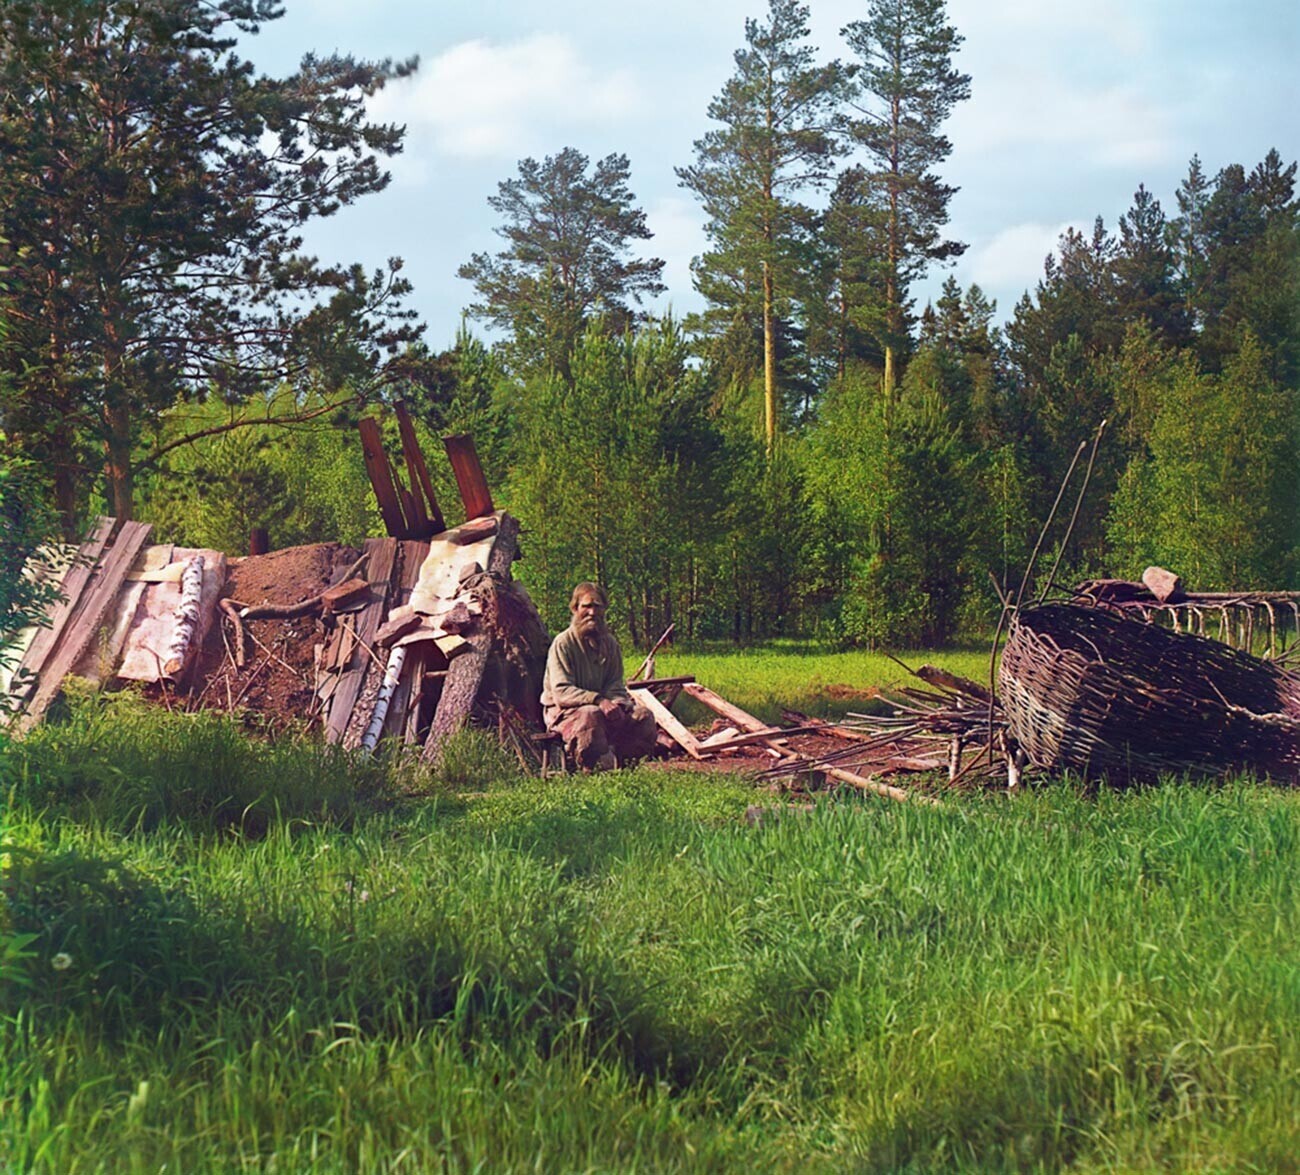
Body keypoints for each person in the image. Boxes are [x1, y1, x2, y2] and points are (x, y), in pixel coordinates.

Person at [540, 582, 658, 771]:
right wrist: (599, 701)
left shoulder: (610, 644)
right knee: (590, 714)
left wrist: (618, 704)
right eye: (586, 606)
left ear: (604, 609)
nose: (592, 612)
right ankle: (591, 767)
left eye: (597, 606)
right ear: (575, 608)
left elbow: (615, 684)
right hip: (564, 713)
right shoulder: (563, 643)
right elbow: (562, 692)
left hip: (603, 709)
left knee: (643, 716)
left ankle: (624, 766)